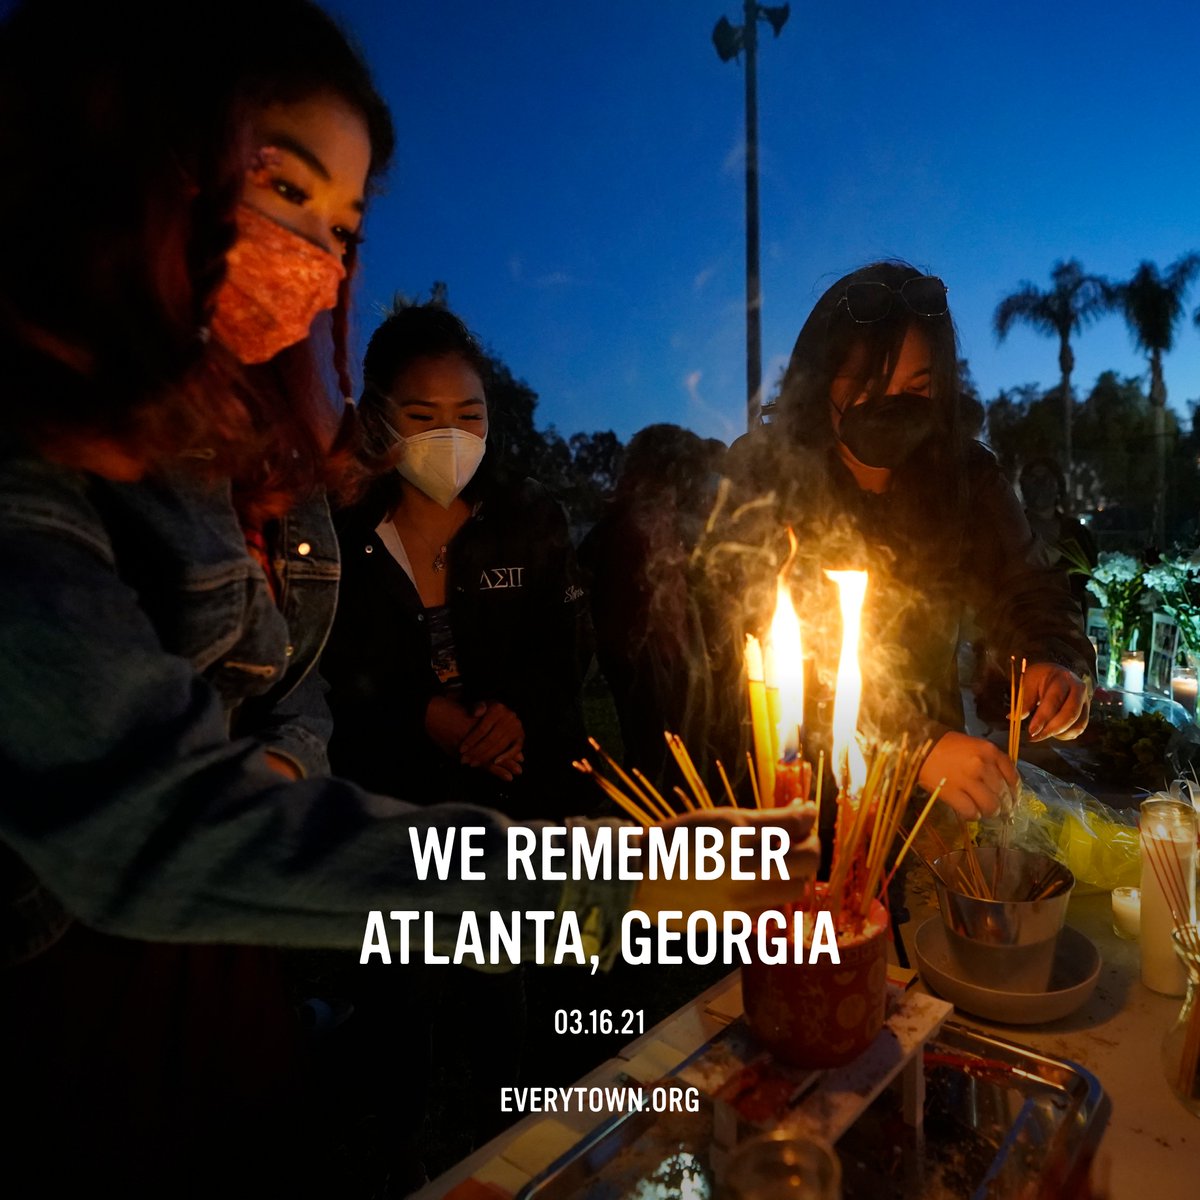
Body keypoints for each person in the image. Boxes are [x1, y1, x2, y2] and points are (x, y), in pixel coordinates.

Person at [0, 2, 819, 1192]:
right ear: (134, 155)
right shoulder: (30, 478)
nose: (317, 258)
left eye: (341, 224)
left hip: (253, 953)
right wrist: (623, 885)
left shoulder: (234, 462)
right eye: (283, 185)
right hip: (74, 1017)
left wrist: (285, 760)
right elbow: (160, 831)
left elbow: (297, 686)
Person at [718, 262, 1095, 822]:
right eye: (869, 387)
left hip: (923, 806)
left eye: (916, 388)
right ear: (821, 380)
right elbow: (750, 652)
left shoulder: (966, 476)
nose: (892, 406)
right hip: (784, 795)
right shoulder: (764, 476)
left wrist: (1052, 662)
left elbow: (1030, 590)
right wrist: (909, 745)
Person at [322, 302, 592, 819]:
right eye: (422, 417)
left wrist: (516, 716)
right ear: (377, 418)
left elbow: (567, 642)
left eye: (469, 415)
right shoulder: (341, 529)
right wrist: (418, 713)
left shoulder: (527, 514)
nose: (450, 436)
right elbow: (328, 665)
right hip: (395, 809)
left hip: (535, 800)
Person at [581, 424, 728, 786]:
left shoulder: (688, 531)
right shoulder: (622, 532)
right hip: (642, 669)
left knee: (677, 760)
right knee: (659, 764)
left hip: (668, 669)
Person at [1019, 455, 1098, 620]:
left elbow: (1094, 580)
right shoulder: (1014, 532)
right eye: (1033, 479)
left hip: (1071, 624)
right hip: (1024, 623)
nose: (1040, 485)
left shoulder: (1076, 533)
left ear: (1058, 485)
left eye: (1045, 478)